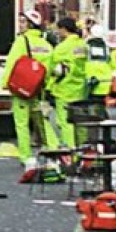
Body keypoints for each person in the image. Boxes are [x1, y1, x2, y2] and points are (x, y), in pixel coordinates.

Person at [0, 9, 54, 165]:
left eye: (23, 22)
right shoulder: (46, 45)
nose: (20, 25)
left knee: (22, 124)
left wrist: (5, 83)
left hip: (22, 89)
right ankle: (54, 149)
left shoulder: (22, 41)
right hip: (38, 89)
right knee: (43, 121)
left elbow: (12, 63)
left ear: (30, 25)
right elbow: (48, 69)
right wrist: (45, 86)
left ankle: (26, 156)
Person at [47, 17, 87, 148]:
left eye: (59, 29)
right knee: (80, 122)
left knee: (65, 122)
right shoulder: (83, 45)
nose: (58, 32)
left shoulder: (62, 48)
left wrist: (48, 87)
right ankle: (84, 148)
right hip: (80, 89)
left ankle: (70, 150)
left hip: (64, 89)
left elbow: (52, 69)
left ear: (64, 29)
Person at [84, 25, 113, 105]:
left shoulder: (85, 46)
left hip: (90, 81)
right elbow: (112, 63)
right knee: (100, 106)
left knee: (90, 106)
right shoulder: (107, 47)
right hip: (105, 82)